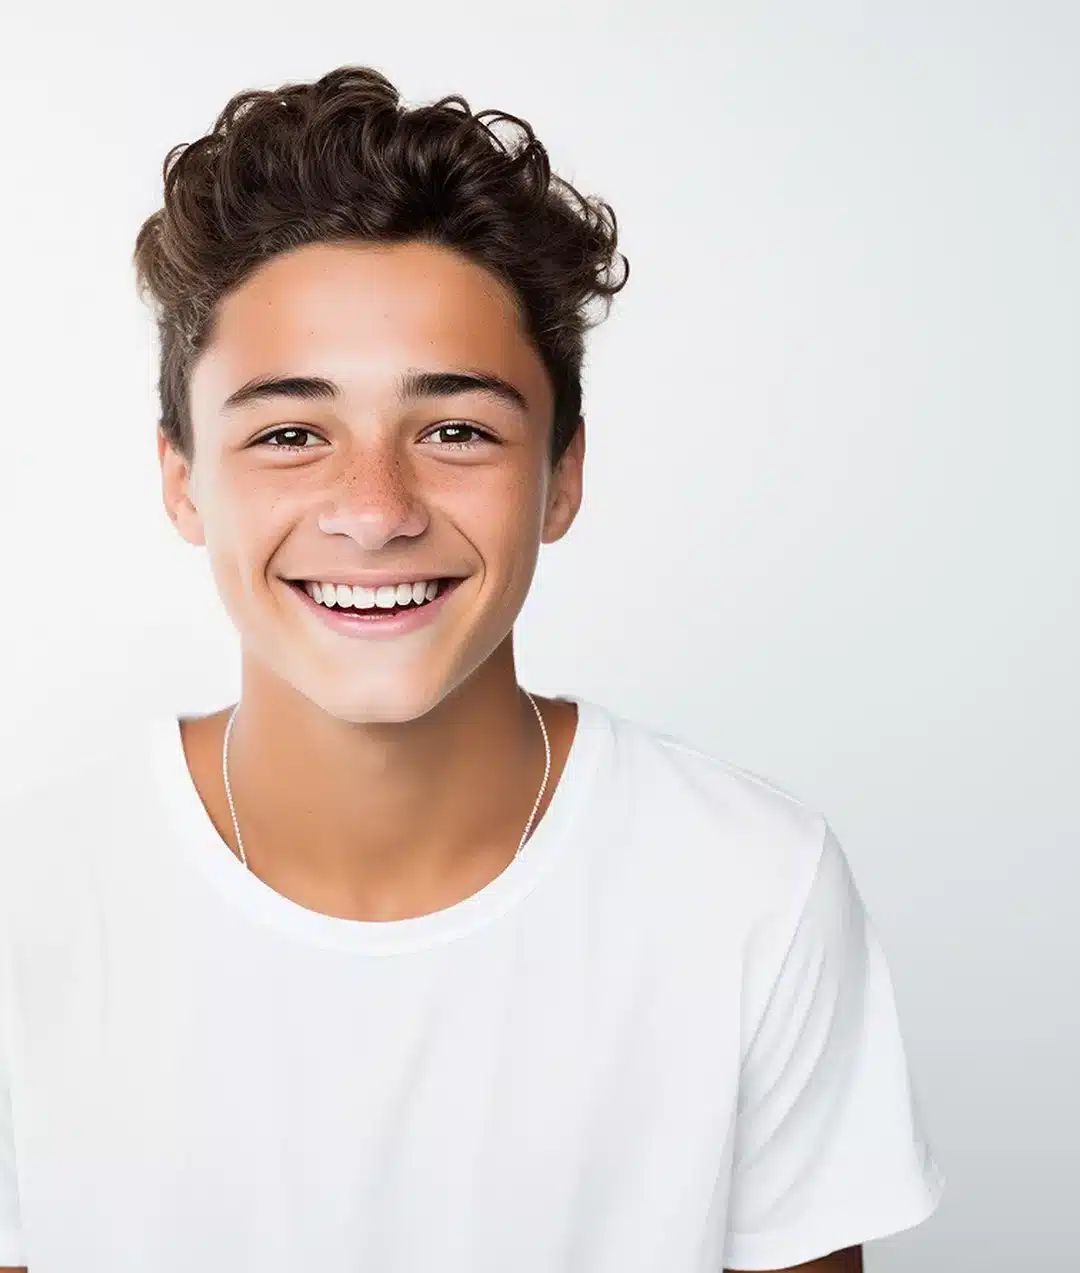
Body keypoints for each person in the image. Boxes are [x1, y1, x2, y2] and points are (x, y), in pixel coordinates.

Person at [0, 66, 944, 1273]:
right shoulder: (30, 903)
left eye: (455, 430)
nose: (376, 510)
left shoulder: (752, 889)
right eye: (292, 432)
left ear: (561, 475)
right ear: (184, 478)